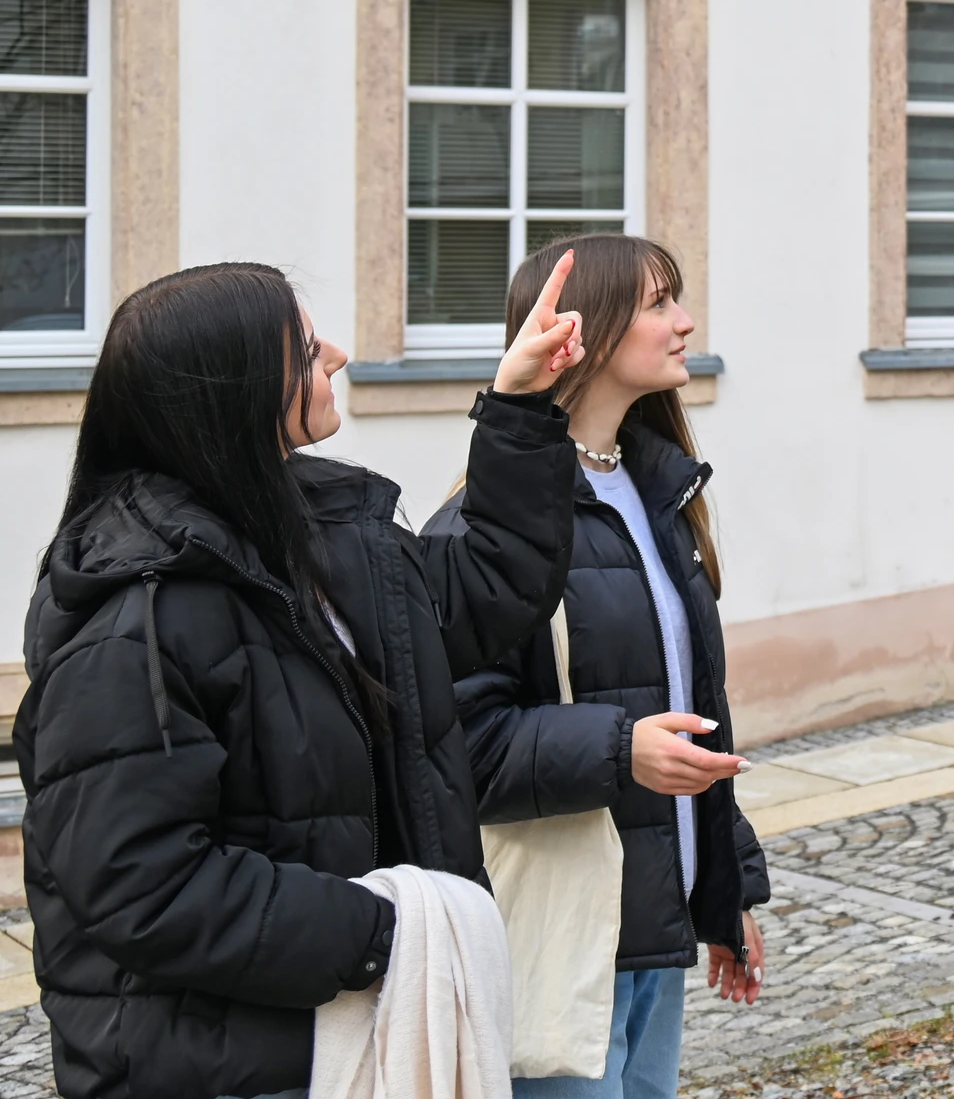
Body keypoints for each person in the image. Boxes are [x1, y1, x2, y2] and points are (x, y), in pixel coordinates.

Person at [17, 256, 587, 1099]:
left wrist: (519, 406)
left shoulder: (318, 533)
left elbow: (492, 591)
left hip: (344, 1043)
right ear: (234, 388)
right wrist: (385, 933)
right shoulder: (135, 611)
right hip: (227, 1067)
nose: (340, 355)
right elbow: (145, 887)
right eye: (306, 346)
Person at [447, 234, 768, 1099]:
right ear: (585, 334)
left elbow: (693, 703)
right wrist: (620, 746)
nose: (685, 321)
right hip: (562, 937)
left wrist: (725, 886)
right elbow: (459, 747)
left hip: (654, 924)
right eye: (660, 302)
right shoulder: (485, 527)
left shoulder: (661, 492)